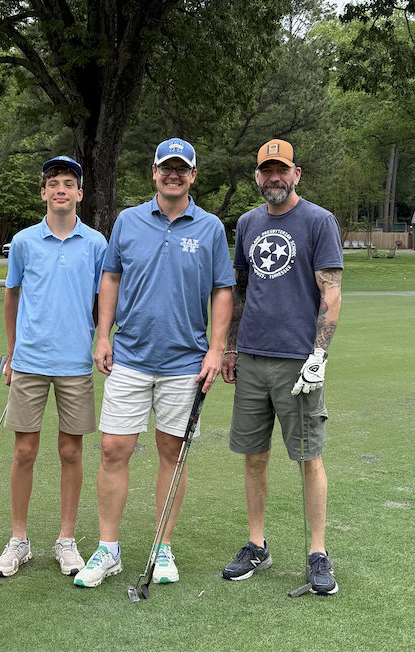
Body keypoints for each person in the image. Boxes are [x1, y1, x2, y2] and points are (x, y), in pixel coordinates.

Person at [74, 138, 234, 588]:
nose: (174, 175)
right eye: (167, 167)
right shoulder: (127, 221)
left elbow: (223, 288)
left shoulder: (210, 228)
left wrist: (216, 348)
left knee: (173, 452)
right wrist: (102, 335)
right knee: (113, 450)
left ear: (193, 176)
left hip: (185, 361)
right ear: (154, 172)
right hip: (130, 356)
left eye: (182, 169)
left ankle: (163, 547)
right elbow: (111, 277)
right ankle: (109, 549)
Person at [221, 139, 343, 594]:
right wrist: (232, 348)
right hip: (252, 357)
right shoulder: (248, 223)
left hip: (298, 361)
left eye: (282, 170)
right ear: (257, 177)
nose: (274, 177)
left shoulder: (318, 221)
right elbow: (239, 290)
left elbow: (330, 293)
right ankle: (257, 546)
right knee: (255, 457)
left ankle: (317, 553)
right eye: (266, 170)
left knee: (308, 458)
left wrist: (318, 355)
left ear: (296, 174)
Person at [0, 156, 107, 578]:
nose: (61, 189)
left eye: (68, 183)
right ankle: (18, 541)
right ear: (43, 193)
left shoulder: (96, 243)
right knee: (23, 451)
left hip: (75, 361)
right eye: (53, 183)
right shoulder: (23, 241)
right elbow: (12, 296)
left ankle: (67, 540)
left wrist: (101, 339)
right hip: (31, 361)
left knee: (71, 451)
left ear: (79, 193)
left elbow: (102, 299)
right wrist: (12, 351)